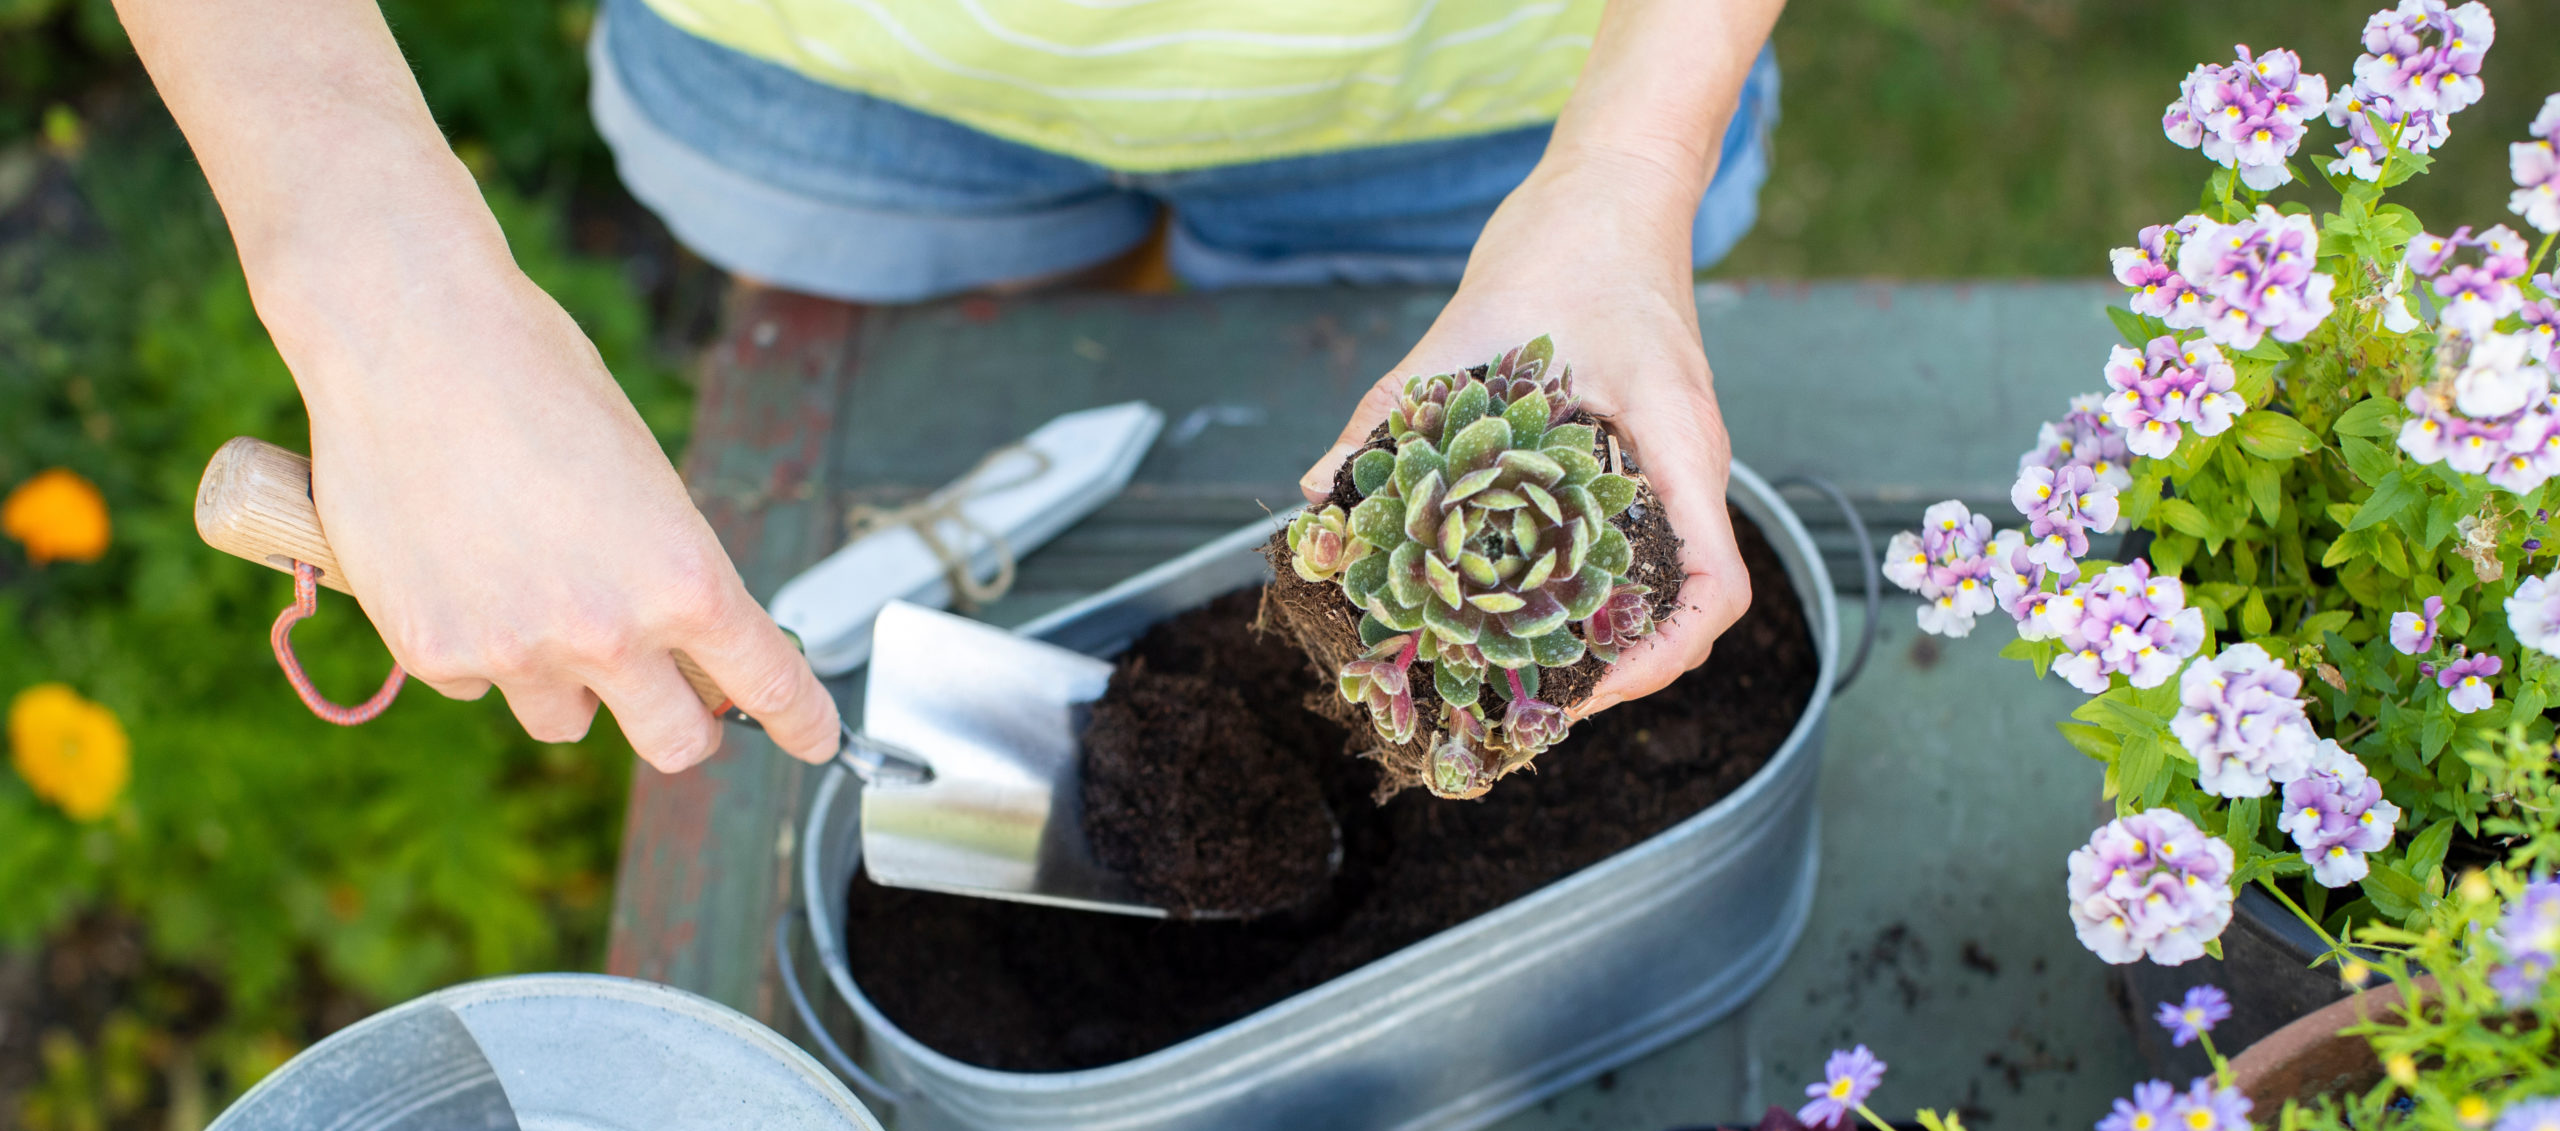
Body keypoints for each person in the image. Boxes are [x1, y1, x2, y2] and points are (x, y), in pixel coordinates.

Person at [114, 0, 1784, 775]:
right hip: (824, 78)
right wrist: (394, 305)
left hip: (1507, 91)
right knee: (983, 337)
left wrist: (1630, 160)